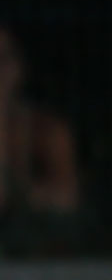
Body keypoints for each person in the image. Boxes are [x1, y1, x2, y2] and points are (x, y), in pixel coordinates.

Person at [0, 24, 81, 225]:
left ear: (19, 67)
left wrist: (23, 194)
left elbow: (68, 199)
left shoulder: (47, 131)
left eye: (2, 59)